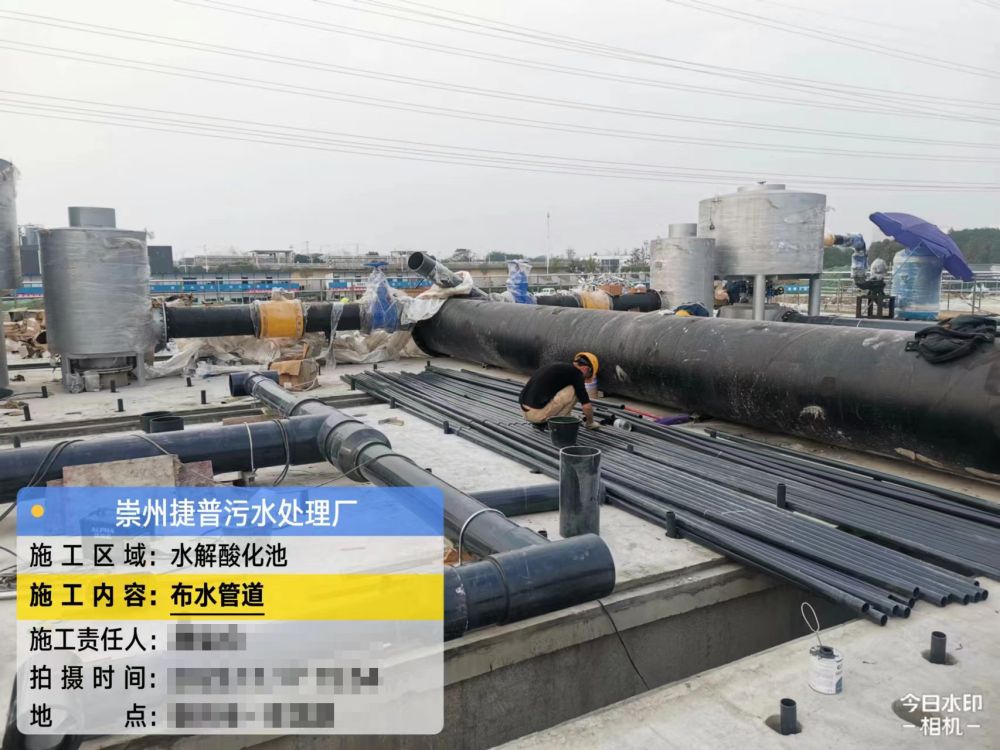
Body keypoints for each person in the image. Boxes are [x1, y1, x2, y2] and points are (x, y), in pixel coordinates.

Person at [519, 354, 599, 429]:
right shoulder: (577, 375)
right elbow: (586, 407)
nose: (585, 378)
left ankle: (547, 417)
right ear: (586, 369)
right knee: (573, 389)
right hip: (537, 415)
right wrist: (590, 422)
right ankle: (562, 419)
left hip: (525, 412)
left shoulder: (558, 367)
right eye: (589, 375)